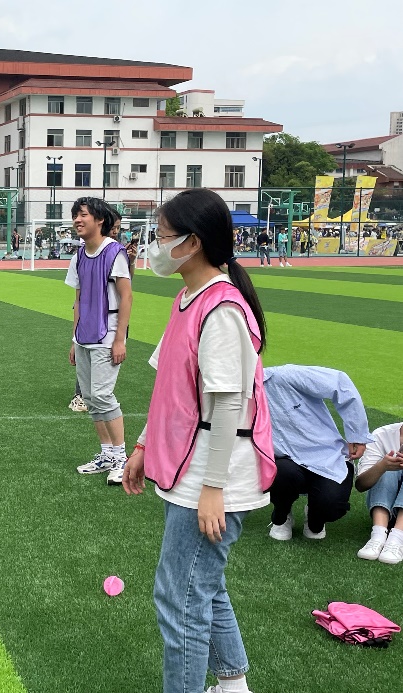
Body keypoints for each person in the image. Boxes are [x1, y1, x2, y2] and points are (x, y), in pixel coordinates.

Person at [122, 187, 276, 693]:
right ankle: (233, 686)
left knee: (180, 599)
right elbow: (173, 391)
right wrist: (143, 446)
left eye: (161, 235)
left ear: (191, 243)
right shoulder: (189, 299)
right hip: (192, 463)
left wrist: (213, 489)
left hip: (214, 471)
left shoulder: (222, 309)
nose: (153, 245)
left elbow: (229, 404)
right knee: (202, 587)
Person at [264, 365, 373, 541]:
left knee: (328, 509)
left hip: (328, 457)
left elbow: (339, 383)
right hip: (285, 461)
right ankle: (281, 515)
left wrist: (357, 435)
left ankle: (315, 516)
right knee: (281, 473)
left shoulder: (284, 375)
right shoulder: (237, 396)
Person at [66, 197, 132, 486]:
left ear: (99, 220)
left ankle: (121, 457)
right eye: (75, 215)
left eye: (83, 215)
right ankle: (106, 454)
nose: (77, 220)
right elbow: (78, 300)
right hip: (84, 336)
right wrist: (74, 338)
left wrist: (120, 340)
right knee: (91, 398)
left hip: (108, 336)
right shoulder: (79, 255)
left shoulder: (115, 253)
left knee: (103, 396)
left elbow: (126, 297)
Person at [355, 421, 403, 564]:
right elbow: (361, 485)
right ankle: (378, 535)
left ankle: (397, 538)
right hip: (385, 506)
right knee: (387, 464)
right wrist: (382, 466)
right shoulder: (382, 435)